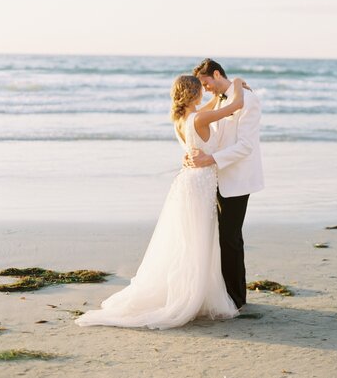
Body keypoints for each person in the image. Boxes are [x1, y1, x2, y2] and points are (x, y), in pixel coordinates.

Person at [75, 74, 247, 330]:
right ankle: (189, 295)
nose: (204, 94)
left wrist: (216, 97)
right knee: (197, 241)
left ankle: (192, 290)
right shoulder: (199, 118)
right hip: (199, 186)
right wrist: (237, 85)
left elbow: (209, 110)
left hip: (190, 183)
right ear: (194, 94)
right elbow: (235, 107)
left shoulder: (182, 119)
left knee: (189, 241)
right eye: (201, 90)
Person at [187, 58, 264, 310]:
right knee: (222, 237)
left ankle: (236, 299)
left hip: (238, 178)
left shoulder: (248, 101)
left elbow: (246, 146)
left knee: (230, 238)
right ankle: (228, 293)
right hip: (215, 177)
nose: (205, 88)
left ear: (217, 74)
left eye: (206, 83)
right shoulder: (221, 99)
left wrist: (210, 158)